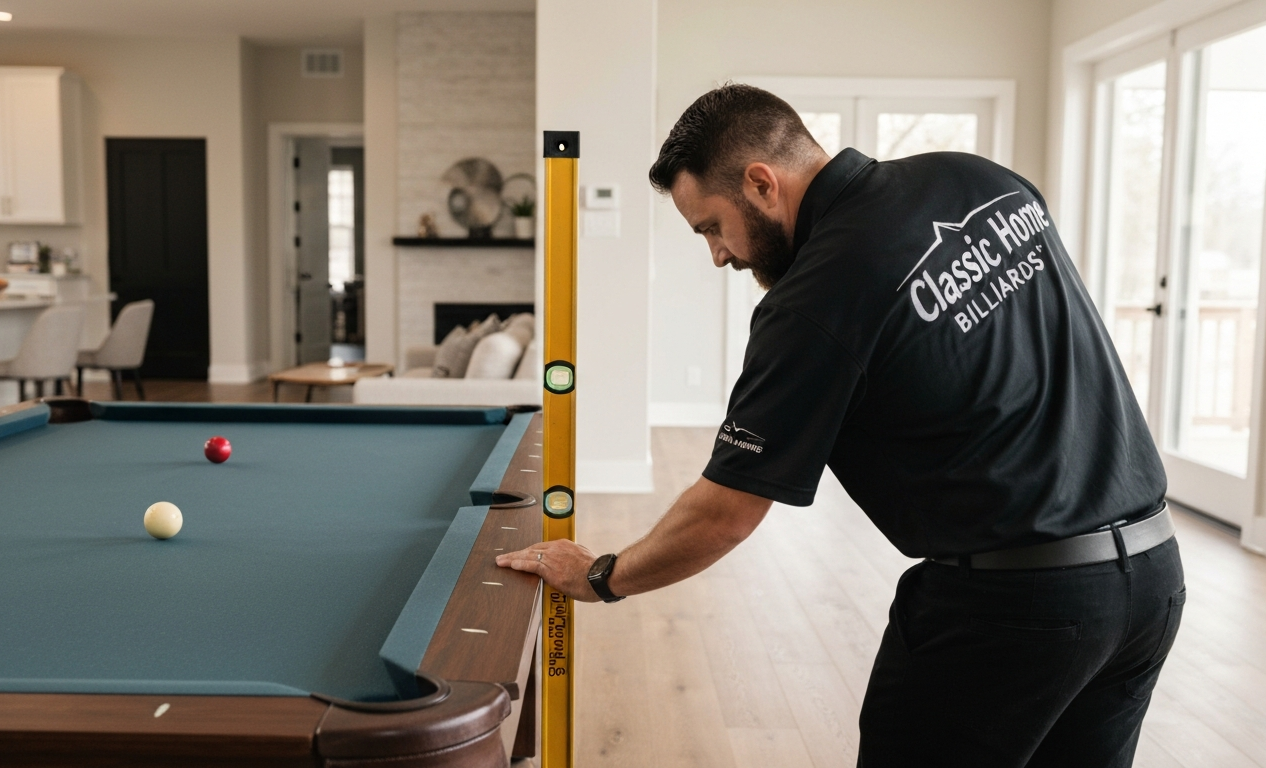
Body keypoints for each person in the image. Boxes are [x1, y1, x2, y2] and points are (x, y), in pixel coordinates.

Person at [496, 83, 1184, 768]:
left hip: (1012, 611)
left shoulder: (814, 299)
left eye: (710, 227)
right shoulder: (982, 181)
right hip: (1153, 579)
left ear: (761, 183)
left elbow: (724, 514)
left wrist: (601, 576)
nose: (718, 255)